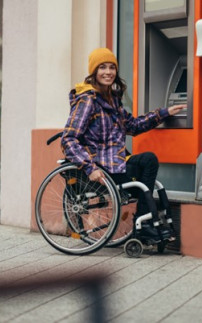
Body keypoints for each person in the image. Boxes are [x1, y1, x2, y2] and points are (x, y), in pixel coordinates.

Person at [61, 48, 186, 240]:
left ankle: (145, 224)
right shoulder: (87, 100)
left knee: (148, 161)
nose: (108, 72)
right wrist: (89, 168)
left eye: (112, 67)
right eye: (102, 67)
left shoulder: (113, 101)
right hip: (100, 170)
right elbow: (68, 139)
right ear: (94, 72)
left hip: (115, 164)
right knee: (147, 166)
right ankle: (144, 225)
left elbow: (134, 126)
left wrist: (164, 113)